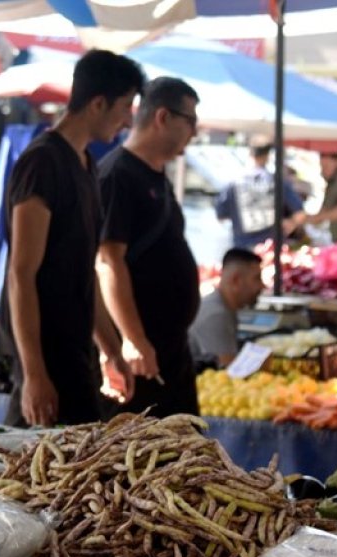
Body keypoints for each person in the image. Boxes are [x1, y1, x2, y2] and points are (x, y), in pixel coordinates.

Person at [0, 49, 143, 427]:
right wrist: (33, 375)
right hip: (45, 360)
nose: (128, 121)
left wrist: (111, 351)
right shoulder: (43, 163)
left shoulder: (86, 164)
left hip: (76, 358)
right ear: (98, 103)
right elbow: (21, 274)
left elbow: (84, 274)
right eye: (126, 107)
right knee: (31, 477)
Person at [95, 77, 202, 417]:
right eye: (191, 121)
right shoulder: (117, 176)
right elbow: (108, 262)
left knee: (187, 458)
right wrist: (133, 339)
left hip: (170, 352)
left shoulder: (156, 177)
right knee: (142, 460)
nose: (195, 132)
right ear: (163, 118)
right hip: (139, 358)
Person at [214, 140, 307, 249]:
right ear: (267, 156)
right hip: (270, 250)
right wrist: (290, 224)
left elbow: (220, 216)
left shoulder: (233, 184)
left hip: (242, 250)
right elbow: (300, 215)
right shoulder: (278, 183)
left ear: (250, 154)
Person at [189, 248, 265, 368]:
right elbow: (230, 370)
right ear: (236, 280)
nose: (262, 286)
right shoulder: (215, 315)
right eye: (257, 278)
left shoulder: (225, 308)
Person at [284, 151, 337, 249]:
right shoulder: (332, 182)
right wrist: (297, 221)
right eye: (322, 166)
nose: (323, 171)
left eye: (326, 166)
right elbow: (323, 212)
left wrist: (316, 218)